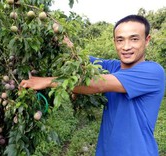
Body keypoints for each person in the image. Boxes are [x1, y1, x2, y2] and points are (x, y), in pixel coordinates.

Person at [19, 14, 165, 156]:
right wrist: (54, 28)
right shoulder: (113, 66)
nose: (126, 46)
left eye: (134, 39)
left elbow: (98, 84)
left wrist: (46, 81)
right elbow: (79, 59)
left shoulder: (153, 72)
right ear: (114, 41)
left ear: (147, 40)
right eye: (120, 40)